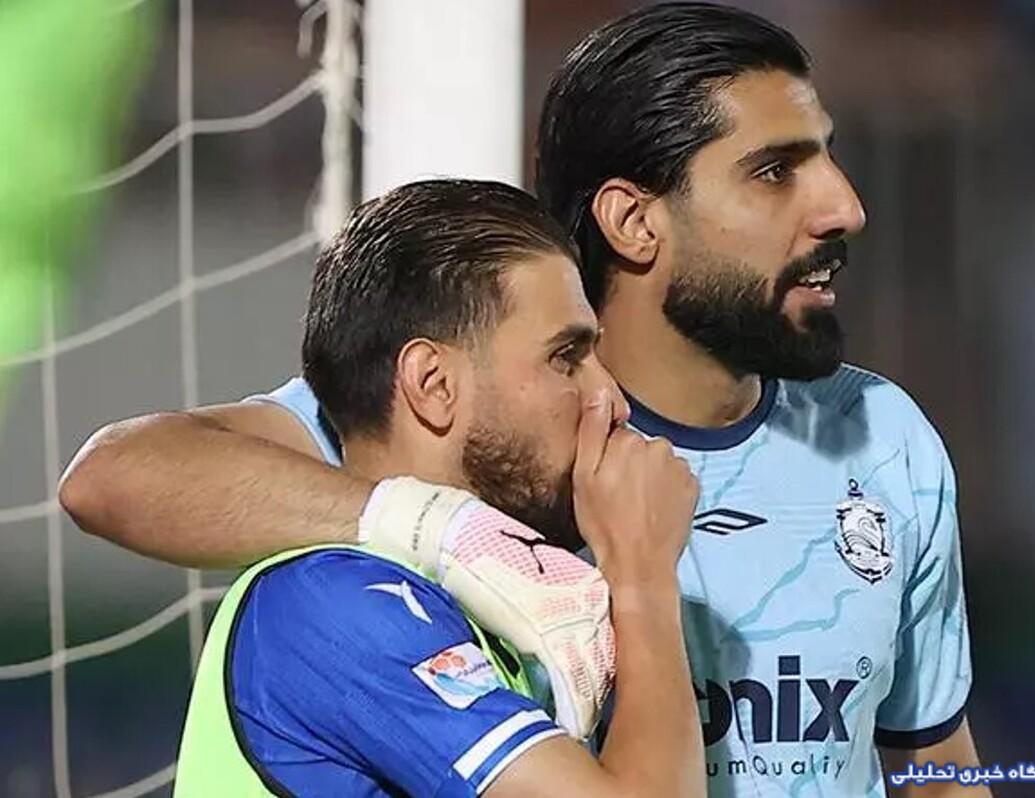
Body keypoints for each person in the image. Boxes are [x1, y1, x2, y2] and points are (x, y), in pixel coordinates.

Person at [62, 4, 985, 796]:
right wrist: (447, 531)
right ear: (633, 220)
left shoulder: (881, 439)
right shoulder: (475, 434)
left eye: (828, 157)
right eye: (775, 170)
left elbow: (935, 765)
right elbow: (113, 477)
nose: (844, 207)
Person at [170, 179, 704, 797]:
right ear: (434, 384)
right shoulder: (337, 603)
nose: (609, 398)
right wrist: (642, 574)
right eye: (566, 357)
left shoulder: (474, 614)